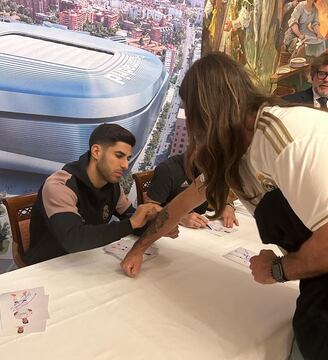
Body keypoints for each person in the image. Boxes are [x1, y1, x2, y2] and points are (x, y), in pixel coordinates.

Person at [121, 52, 328, 359]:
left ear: (209, 111)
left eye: (193, 117)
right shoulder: (237, 146)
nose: (193, 130)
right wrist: (139, 248)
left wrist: (278, 269)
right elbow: (181, 205)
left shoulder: (286, 137)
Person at [24, 124, 177, 265]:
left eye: (128, 158)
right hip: (47, 267)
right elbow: (72, 240)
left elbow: (133, 221)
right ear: (96, 151)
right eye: (119, 155)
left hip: (86, 260)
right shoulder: (61, 185)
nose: (125, 165)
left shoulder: (113, 187)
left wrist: (159, 225)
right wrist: (132, 223)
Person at [145, 153, 238, 228]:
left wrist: (227, 205)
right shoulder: (168, 169)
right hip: (168, 234)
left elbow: (218, 195)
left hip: (197, 233)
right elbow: (148, 211)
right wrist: (179, 217)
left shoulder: (214, 168)